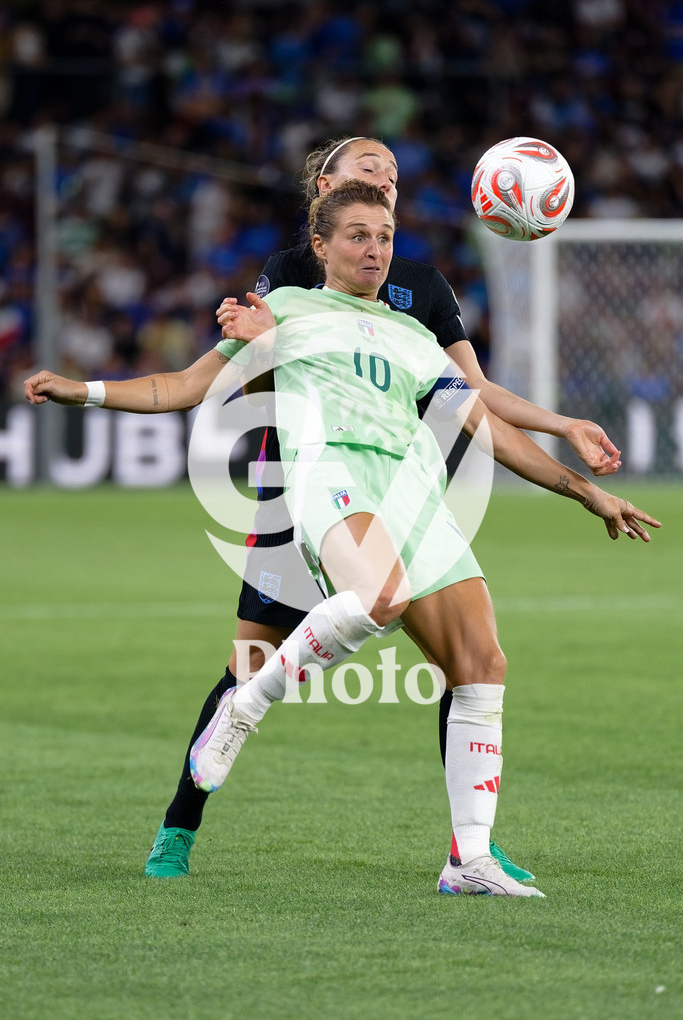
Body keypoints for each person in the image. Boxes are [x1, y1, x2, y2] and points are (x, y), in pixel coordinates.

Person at [25, 180, 660, 896]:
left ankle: (469, 860)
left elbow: (488, 429)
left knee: (482, 662)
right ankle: (247, 705)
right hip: (332, 476)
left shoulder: (414, 337)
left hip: (414, 492)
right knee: (379, 594)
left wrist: (583, 490)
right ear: (320, 247)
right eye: (357, 235)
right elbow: (184, 386)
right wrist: (88, 393)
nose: (374, 249)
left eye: (384, 236)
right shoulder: (282, 312)